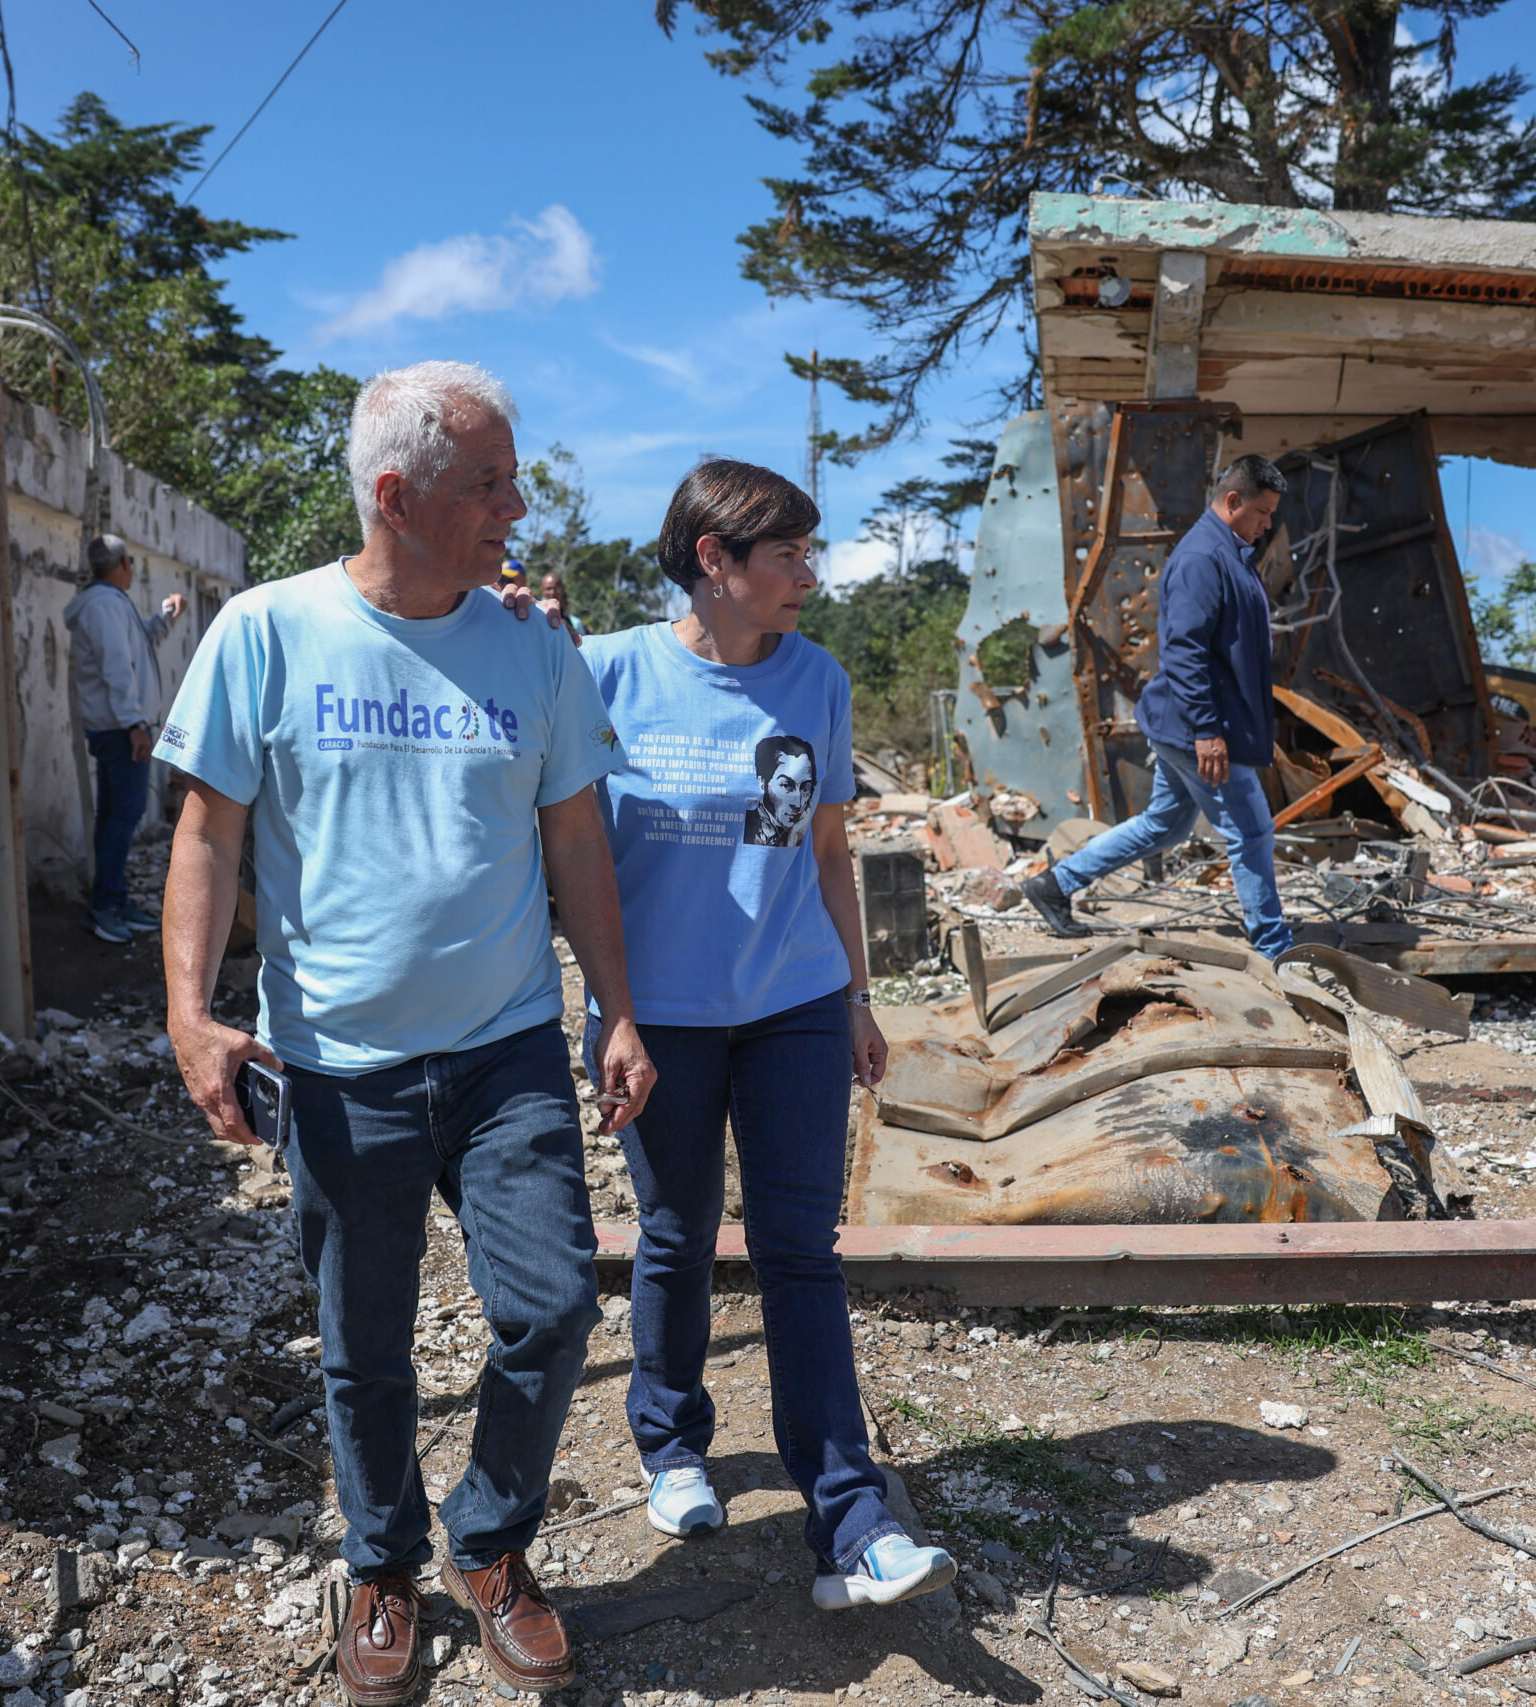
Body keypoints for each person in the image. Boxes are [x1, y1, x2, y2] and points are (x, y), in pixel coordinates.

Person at [158, 362, 656, 1706]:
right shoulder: (267, 632)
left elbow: (576, 841)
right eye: (487, 482)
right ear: (395, 493)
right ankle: (380, 1562)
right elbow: (209, 833)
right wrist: (191, 1011)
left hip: (504, 1054)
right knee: (363, 1339)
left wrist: (615, 1005)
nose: (516, 504)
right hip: (335, 1063)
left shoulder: (531, 648)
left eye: (512, 475)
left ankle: (485, 1536)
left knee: (551, 1306)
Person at [579, 458, 957, 1613]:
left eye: (809, 551)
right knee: (678, 1233)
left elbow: (829, 855)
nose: (810, 575)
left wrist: (853, 995)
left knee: (800, 1251)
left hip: (792, 1003)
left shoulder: (818, 680)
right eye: (788, 556)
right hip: (661, 1022)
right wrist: (613, 1016)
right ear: (713, 560)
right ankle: (673, 1444)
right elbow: (576, 864)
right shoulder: (606, 675)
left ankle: (850, 1518)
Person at [1020, 454, 1298, 960]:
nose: (1268, 523)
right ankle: (1277, 950)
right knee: (1253, 830)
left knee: (1163, 825)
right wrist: (1207, 730)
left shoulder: (1231, 551)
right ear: (1232, 501)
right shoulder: (1201, 559)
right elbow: (1183, 650)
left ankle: (1054, 884)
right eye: (1262, 511)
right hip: (1201, 729)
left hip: (1190, 725)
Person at [62, 533, 185, 942]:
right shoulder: (103, 606)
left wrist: (165, 618)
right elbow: (117, 667)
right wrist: (135, 724)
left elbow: (138, 646)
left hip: (121, 727)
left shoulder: (110, 604)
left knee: (115, 816)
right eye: (130, 561)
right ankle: (105, 907)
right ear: (121, 564)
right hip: (120, 730)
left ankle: (114, 898)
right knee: (124, 817)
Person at [538, 566, 583, 645]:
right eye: (548, 589)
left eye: (556, 588)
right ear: (542, 590)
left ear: (562, 589)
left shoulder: (574, 622)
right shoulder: (535, 612)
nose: (552, 592)